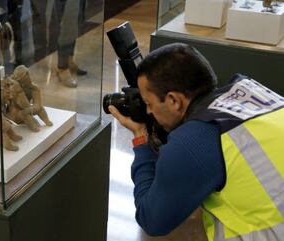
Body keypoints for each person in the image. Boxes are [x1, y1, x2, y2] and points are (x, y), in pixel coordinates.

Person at [108, 43, 284, 241]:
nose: (148, 112)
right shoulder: (250, 91)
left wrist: (141, 139)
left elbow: (152, 220)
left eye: (149, 103)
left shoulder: (191, 142)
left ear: (174, 100)